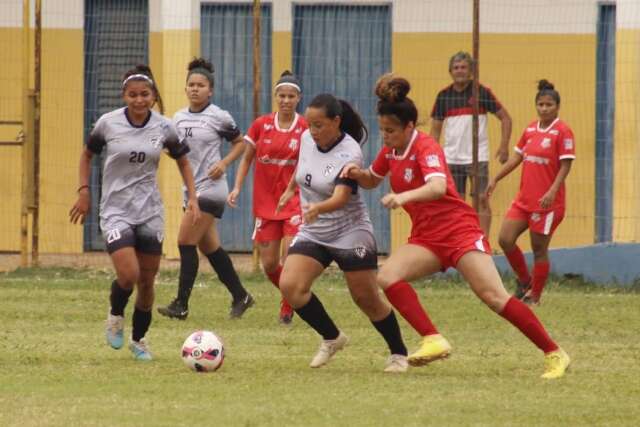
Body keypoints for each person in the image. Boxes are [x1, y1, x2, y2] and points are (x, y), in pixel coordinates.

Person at [342, 74, 570, 379]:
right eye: (382, 130)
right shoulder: (391, 150)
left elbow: (437, 187)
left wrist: (404, 196)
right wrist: (356, 173)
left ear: (410, 127)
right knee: (388, 276)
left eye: (391, 130)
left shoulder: (426, 147)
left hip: (459, 232)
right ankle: (433, 339)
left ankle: (555, 353)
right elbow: (372, 178)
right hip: (426, 238)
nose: (385, 136)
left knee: (494, 297)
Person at [69, 64, 201, 361]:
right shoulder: (107, 123)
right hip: (116, 209)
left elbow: (183, 161)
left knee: (147, 281)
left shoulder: (165, 126)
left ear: (153, 96)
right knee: (128, 273)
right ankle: (115, 315)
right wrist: (84, 191)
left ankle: (139, 340)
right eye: (132, 95)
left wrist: (193, 196)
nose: (139, 100)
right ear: (124, 96)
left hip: (150, 211)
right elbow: (86, 154)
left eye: (144, 94)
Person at [276, 94, 410, 373]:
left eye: (319, 125)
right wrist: (290, 189)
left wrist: (316, 208)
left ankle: (398, 353)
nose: (312, 131)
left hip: (350, 231)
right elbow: (303, 168)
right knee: (291, 286)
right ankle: (332, 337)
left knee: (366, 298)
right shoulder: (306, 138)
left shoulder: (350, 152)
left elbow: (339, 198)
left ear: (336, 122)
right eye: (310, 125)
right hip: (315, 231)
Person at [157, 58, 253, 321]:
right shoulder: (178, 117)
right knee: (211, 248)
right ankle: (241, 295)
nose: (195, 89)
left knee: (184, 241)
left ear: (210, 90)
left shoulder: (218, 116)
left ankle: (181, 304)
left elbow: (240, 143)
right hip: (190, 190)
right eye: (191, 85)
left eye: (201, 85)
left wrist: (224, 163)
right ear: (185, 88)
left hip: (212, 190)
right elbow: (175, 150)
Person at [227, 71, 307, 324]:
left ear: (298, 98)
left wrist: (292, 189)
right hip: (266, 204)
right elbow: (247, 158)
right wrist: (237, 187)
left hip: (293, 200)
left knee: (290, 255)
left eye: (291, 96)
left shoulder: (304, 127)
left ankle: (288, 304)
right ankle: (289, 294)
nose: (286, 100)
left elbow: (308, 162)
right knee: (270, 264)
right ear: (275, 97)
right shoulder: (261, 125)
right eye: (282, 95)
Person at [486, 80, 575, 306]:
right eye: (541, 104)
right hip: (524, 200)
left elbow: (565, 165)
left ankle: (534, 296)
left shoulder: (562, 131)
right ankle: (525, 281)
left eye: (549, 105)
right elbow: (517, 157)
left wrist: (552, 191)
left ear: (557, 107)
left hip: (546, 204)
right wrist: (496, 178)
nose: (544, 108)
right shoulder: (530, 129)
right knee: (505, 239)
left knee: (539, 249)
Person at [430, 51, 512, 235]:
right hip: (451, 159)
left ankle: (483, 242)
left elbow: (506, 118)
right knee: (456, 202)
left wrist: (504, 146)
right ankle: (459, 239)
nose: (460, 71)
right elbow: (434, 131)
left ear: (471, 70)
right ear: (450, 71)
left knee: (481, 199)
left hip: (477, 157)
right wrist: (432, 158)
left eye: (464, 67)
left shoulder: (481, 91)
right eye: (456, 68)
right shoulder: (443, 96)